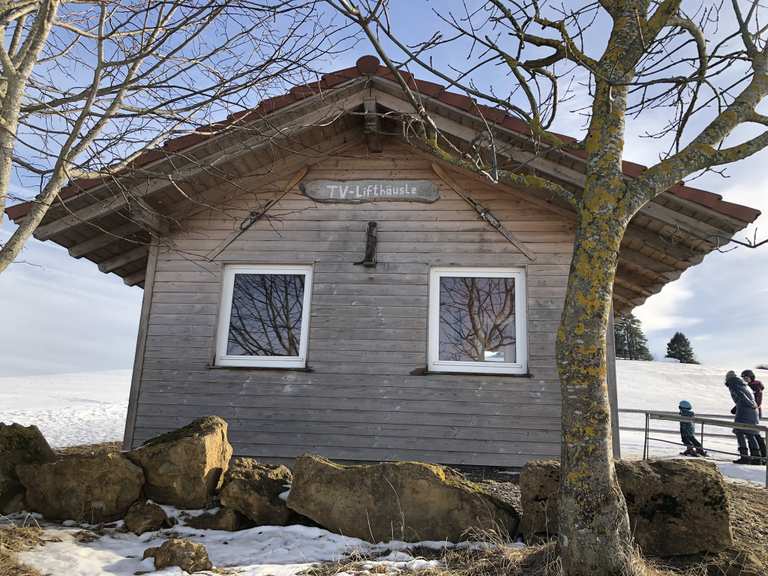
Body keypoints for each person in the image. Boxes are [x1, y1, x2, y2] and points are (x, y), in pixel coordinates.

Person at [725, 370, 763, 465]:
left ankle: (745, 457)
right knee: (751, 434)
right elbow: (749, 397)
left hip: (744, 412)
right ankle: (756, 458)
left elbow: (741, 396)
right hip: (751, 412)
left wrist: (750, 404)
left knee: (739, 432)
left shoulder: (733, 383)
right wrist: (752, 405)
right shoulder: (743, 384)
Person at [741, 369, 767, 461]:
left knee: (754, 434)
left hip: (753, 413)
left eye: (746, 377)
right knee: (752, 434)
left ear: (751, 377)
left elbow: (757, 401)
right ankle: (759, 455)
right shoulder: (747, 386)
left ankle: (762, 456)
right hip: (749, 412)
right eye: (743, 378)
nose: (745, 379)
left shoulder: (755, 386)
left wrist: (754, 407)